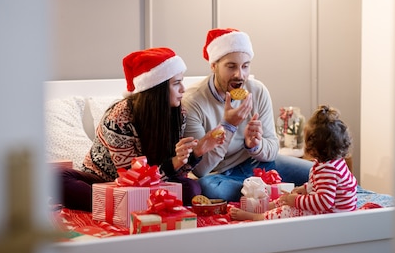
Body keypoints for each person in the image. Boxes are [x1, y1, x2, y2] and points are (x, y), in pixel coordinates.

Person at [60, 47, 224, 211]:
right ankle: (122, 205)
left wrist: (197, 152)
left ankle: (124, 206)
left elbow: (176, 175)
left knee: (191, 188)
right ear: (157, 89)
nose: (183, 89)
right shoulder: (119, 117)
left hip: (154, 182)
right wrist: (173, 164)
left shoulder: (178, 113)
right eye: (176, 83)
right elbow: (128, 177)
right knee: (56, 180)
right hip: (104, 181)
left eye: (182, 81)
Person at [182, 28, 314, 202]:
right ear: (213, 65)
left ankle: (263, 191)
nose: (240, 75)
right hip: (221, 175)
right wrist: (228, 126)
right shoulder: (192, 101)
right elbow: (200, 169)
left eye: (245, 66)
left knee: (318, 172)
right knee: (207, 189)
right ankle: (272, 192)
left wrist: (255, 146)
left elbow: (273, 149)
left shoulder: (257, 91)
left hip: (258, 165)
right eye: (231, 66)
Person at [229, 104, 358, 221]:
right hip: (331, 209)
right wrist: (305, 189)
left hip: (331, 215)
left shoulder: (328, 170)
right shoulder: (333, 162)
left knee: (288, 210)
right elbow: (321, 186)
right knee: (289, 197)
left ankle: (257, 217)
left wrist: (296, 201)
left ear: (313, 147)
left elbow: (323, 202)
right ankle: (268, 206)